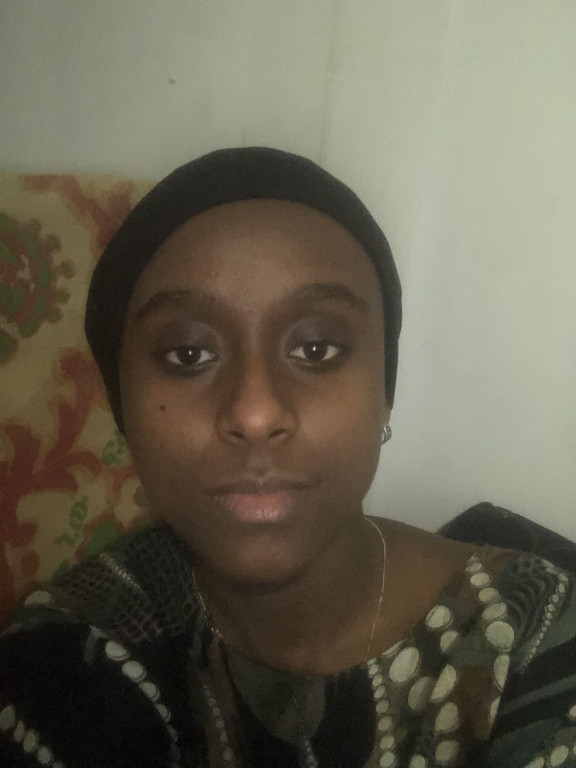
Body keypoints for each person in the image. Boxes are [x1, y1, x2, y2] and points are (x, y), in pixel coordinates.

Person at [1, 148, 575, 768]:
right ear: (124, 410)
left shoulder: (533, 635)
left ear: (384, 392)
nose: (255, 413)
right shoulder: (63, 658)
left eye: (317, 349)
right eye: (188, 355)